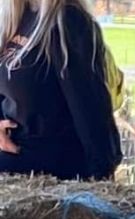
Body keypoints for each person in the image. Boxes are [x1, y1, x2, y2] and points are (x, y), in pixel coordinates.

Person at [0, 0, 122, 181]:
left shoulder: (68, 21)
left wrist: (103, 177)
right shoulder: (13, 15)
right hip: (14, 160)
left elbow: (90, 108)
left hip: (49, 169)